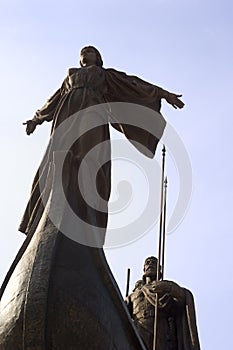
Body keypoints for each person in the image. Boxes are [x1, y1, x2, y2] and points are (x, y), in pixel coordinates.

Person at [19, 46, 184, 242]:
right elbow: (53, 101)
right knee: (59, 157)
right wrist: (36, 119)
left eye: (90, 51)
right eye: (83, 52)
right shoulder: (71, 76)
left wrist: (163, 93)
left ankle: (86, 191)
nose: (85, 53)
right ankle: (59, 191)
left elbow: (134, 84)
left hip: (93, 110)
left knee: (89, 153)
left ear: (98, 58)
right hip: (67, 116)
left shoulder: (105, 75)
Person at [126, 257, 201, 350]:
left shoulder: (164, 287)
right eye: (147, 263)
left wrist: (169, 287)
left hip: (159, 330)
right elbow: (123, 312)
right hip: (138, 328)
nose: (150, 264)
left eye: (154, 263)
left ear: (159, 269)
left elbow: (183, 298)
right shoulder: (133, 294)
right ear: (144, 268)